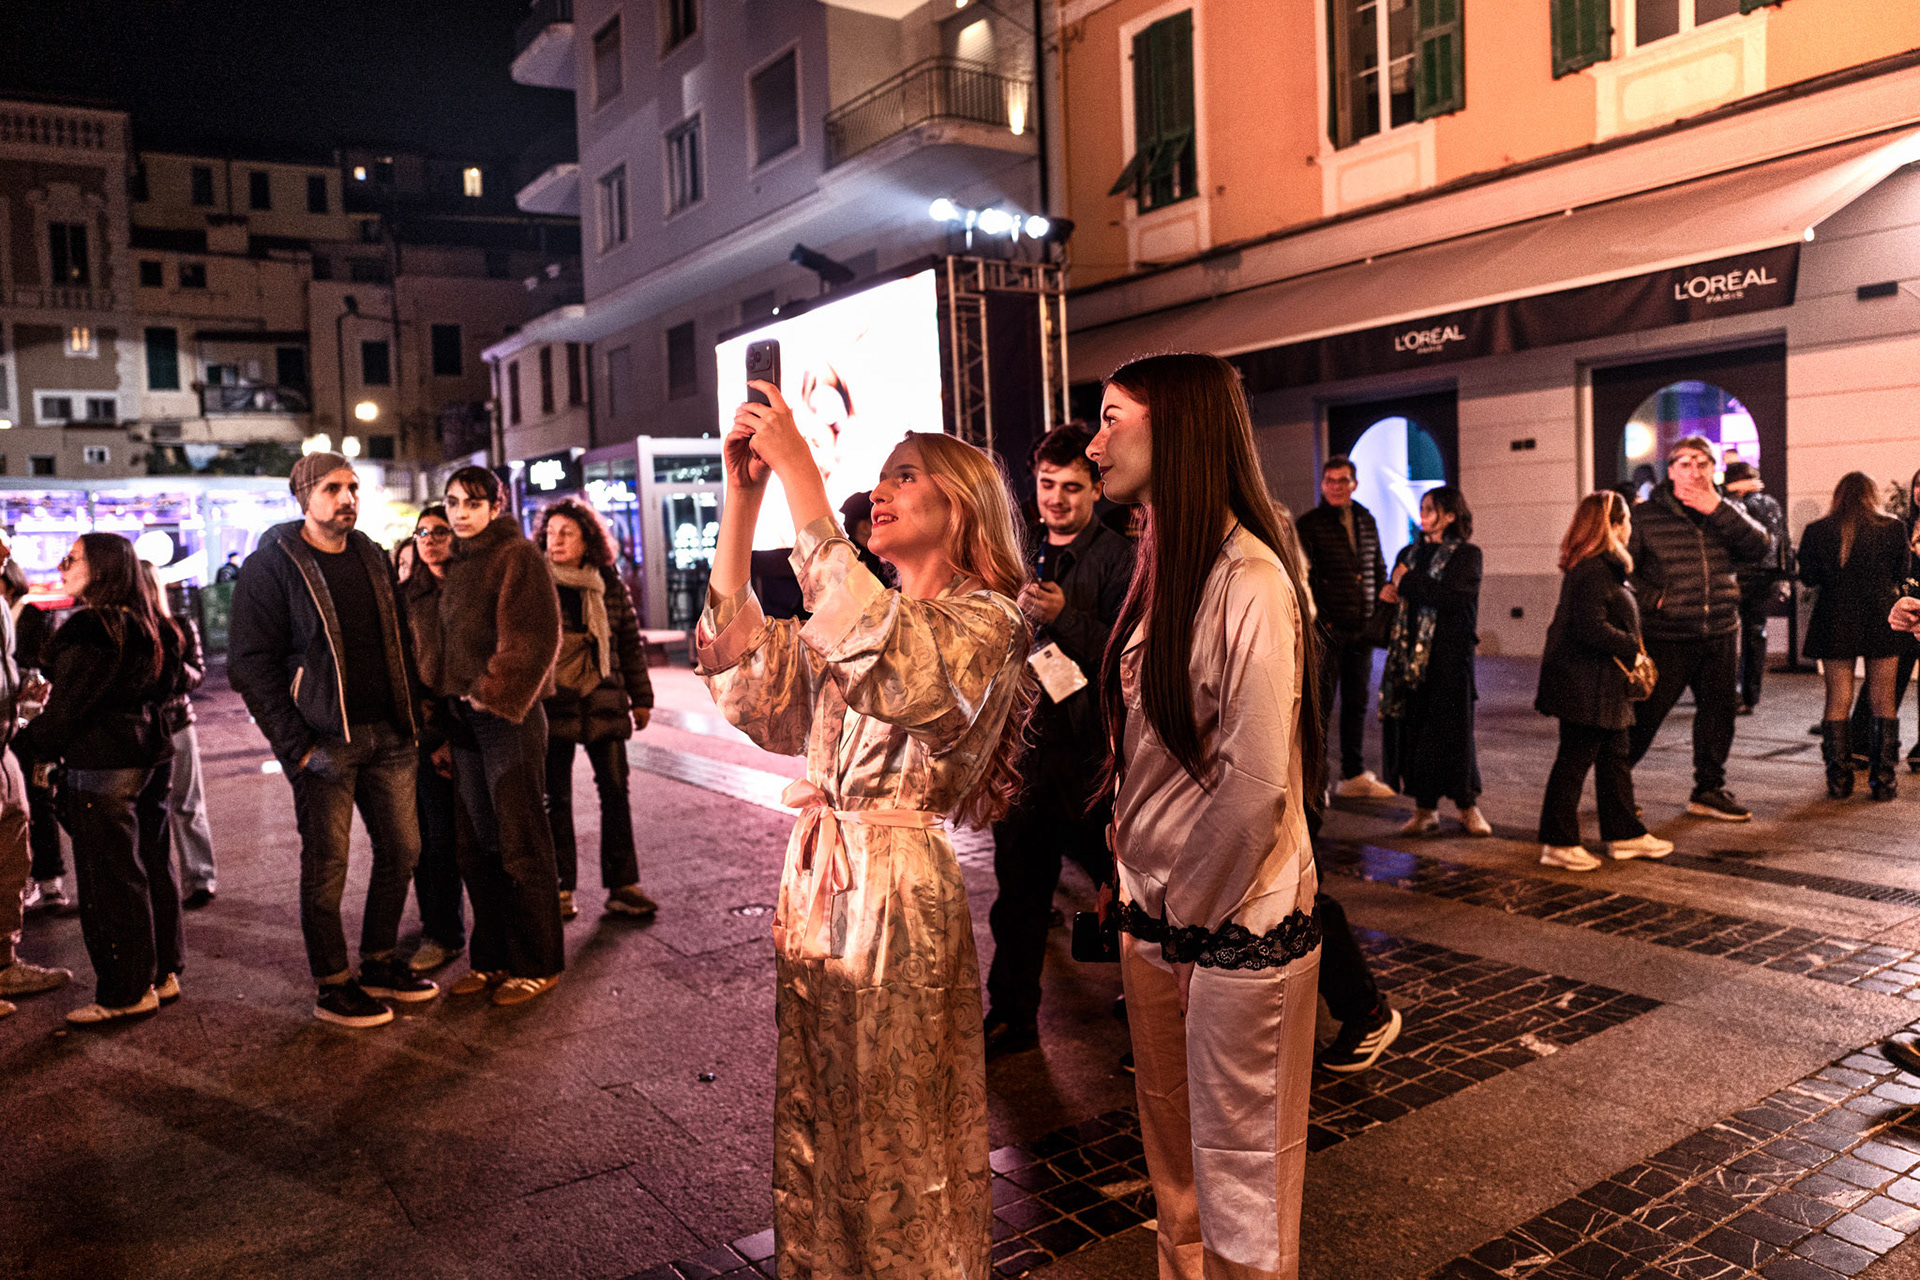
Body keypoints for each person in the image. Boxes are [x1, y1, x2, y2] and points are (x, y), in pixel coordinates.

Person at [698, 378, 1031, 1277]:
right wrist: (746, 497)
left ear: (961, 506)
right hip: (819, 881)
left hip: (896, 890)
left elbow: (899, 666)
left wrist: (807, 476)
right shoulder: (857, 614)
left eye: (906, 476)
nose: (879, 491)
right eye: (878, 477)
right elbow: (751, 684)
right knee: (822, 1115)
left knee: (898, 1129)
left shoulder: (985, 622)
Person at [1088, 352, 1324, 1280]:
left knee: (1244, 1193)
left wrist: (1184, 913)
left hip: (1231, 926)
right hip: (1159, 921)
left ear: (1175, 428)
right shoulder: (1165, 564)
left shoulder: (1251, 579)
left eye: (1112, 419)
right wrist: (1138, 893)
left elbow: (1257, 782)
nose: (1096, 442)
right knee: (1177, 1175)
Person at [228, 451, 437, 1027]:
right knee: (328, 867)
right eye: (333, 488)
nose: (347, 498)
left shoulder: (369, 553)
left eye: (352, 487)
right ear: (303, 495)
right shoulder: (271, 565)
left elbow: (398, 639)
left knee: (403, 851)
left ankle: (377, 960)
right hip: (324, 741)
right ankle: (332, 983)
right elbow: (249, 664)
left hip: (389, 735)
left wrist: (412, 716)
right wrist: (296, 745)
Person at [985, 423, 1134, 1058]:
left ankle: (1153, 1004)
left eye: (1072, 487)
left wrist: (1062, 616)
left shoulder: (1118, 557)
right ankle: (1012, 1015)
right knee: (1018, 894)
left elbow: (1127, 655)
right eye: (1047, 484)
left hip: (1088, 757)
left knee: (1125, 887)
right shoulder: (1019, 548)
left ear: (1096, 489)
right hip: (1025, 752)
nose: (1056, 499)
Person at [18, 534, 185, 1024]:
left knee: (109, 878)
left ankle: (125, 990)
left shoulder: (93, 628)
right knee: (152, 864)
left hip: (103, 760)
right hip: (152, 753)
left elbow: (69, 707)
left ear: (105, 568)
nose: (62, 565)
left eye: (73, 558)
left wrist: (31, 744)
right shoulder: (152, 624)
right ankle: (161, 974)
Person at [418, 466, 565, 1006]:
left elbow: (534, 639)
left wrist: (485, 692)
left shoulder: (516, 556)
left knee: (522, 841)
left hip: (508, 716)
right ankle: (493, 957)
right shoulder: (455, 561)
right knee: (478, 844)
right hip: (463, 719)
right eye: (453, 502)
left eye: (473, 503)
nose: (459, 512)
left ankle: (539, 961)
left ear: (496, 505)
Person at [1625, 436, 1769, 821]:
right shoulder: (1645, 516)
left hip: (1721, 629)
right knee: (1644, 717)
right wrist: (1657, 599)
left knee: (1718, 715)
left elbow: (1760, 547)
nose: (1694, 471)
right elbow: (1624, 573)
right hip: (1668, 634)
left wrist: (1719, 507)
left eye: (1702, 464)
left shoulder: (1726, 509)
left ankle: (1708, 789)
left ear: (1713, 470)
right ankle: (1617, 786)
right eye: (1685, 464)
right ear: (1670, 471)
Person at [1535, 493, 1675, 871]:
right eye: (1626, 518)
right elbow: (1588, 628)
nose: (1631, 526)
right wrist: (1633, 646)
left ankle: (1625, 835)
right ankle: (1558, 842)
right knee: (1574, 761)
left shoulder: (1603, 568)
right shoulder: (1595, 570)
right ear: (1611, 526)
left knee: (1615, 760)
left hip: (1602, 685)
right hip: (1585, 686)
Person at [537, 496, 658, 923]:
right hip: (554, 706)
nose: (556, 541)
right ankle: (560, 887)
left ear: (588, 539)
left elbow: (628, 641)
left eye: (566, 533)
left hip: (604, 701)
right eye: (551, 533)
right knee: (555, 799)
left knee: (615, 792)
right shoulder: (536, 582)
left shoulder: (608, 581)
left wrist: (641, 698)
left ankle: (623, 885)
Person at [1378, 486, 1490, 837]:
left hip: (1450, 660)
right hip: (1411, 662)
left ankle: (1467, 807)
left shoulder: (1467, 555)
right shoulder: (1409, 553)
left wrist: (1406, 581)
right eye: (1423, 507)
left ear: (1451, 515)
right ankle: (1424, 808)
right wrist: (1389, 592)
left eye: (1432, 508)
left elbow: (1454, 598)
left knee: (1456, 734)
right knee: (1418, 734)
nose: (1423, 513)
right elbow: (1398, 595)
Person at [1800, 472, 1909, 801]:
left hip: (1835, 619)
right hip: (1882, 617)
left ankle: (1838, 779)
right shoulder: (1892, 528)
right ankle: (1884, 780)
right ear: (1871, 495)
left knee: (1838, 699)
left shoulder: (1817, 530)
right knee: (1883, 699)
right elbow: (1901, 573)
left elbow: (1808, 577)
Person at [1296, 455, 1394, 799]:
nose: (1336, 487)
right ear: (1322, 485)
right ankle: (1314, 777)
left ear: (1354, 483)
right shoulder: (1309, 524)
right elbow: (1302, 577)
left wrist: (1380, 608)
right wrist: (1320, 620)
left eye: (1342, 480)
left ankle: (1353, 774)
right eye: (1330, 481)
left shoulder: (1366, 519)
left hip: (1361, 630)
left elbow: (1376, 565)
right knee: (1319, 706)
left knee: (1357, 704)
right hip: (1327, 631)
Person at [0, 533, 69, 1018]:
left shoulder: (4, 607)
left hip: (4, 745)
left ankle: (4, 963)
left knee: (11, 852)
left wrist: (22, 706)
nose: (6, 555)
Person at [399, 504, 467, 974]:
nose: (428, 539)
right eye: (422, 531)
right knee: (432, 839)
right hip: (426, 733)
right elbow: (406, 670)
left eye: (439, 531)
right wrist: (433, 733)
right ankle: (441, 931)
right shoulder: (405, 598)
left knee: (483, 838)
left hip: (480, 726)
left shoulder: (473, 588)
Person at [140, 563, 217, 910]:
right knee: (146, 810)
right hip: (139, 729)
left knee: (187, 803)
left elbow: (197, 674)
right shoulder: (127, 630)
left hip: (177, 723)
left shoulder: (179, 626)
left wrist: (173, 663)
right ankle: (153, 882)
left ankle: (200, 878)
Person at [5, 561, 65, 916]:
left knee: (41, 800)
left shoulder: (37, 619)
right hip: (6, 727)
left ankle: (50, 880)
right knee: (13, 808)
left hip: (35, 728)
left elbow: (51, 671)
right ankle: (21, 879)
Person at [1721, 461, 1792, 714]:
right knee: (1756, 633)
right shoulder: (1771, 503)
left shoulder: (1732, 505)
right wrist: (1783, 576)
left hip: (1736, 577)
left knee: (1726, 634)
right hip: (1767, 578)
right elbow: (1783, 539)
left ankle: (1729, 692)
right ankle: (1751, 694)